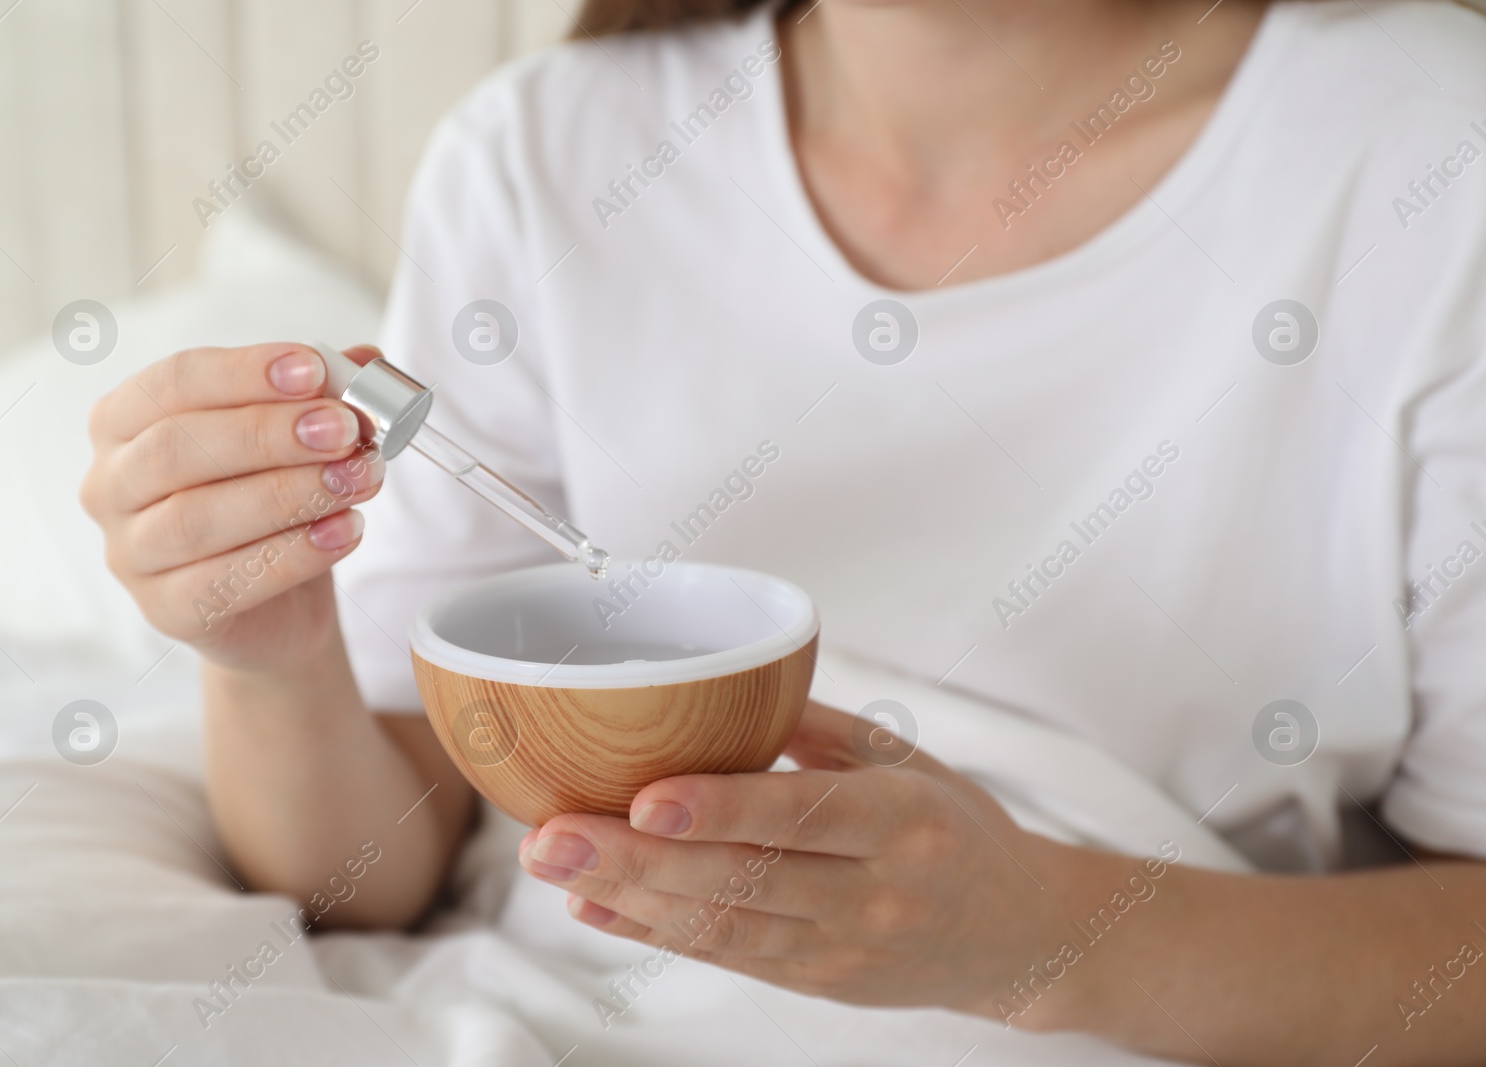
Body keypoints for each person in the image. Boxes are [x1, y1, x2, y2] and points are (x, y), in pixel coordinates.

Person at [79, 0, 1486, 1061]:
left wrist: (1048, 943)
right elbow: (369, 879)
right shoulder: (545, 156)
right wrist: (267, 655)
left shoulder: (1428, 150)